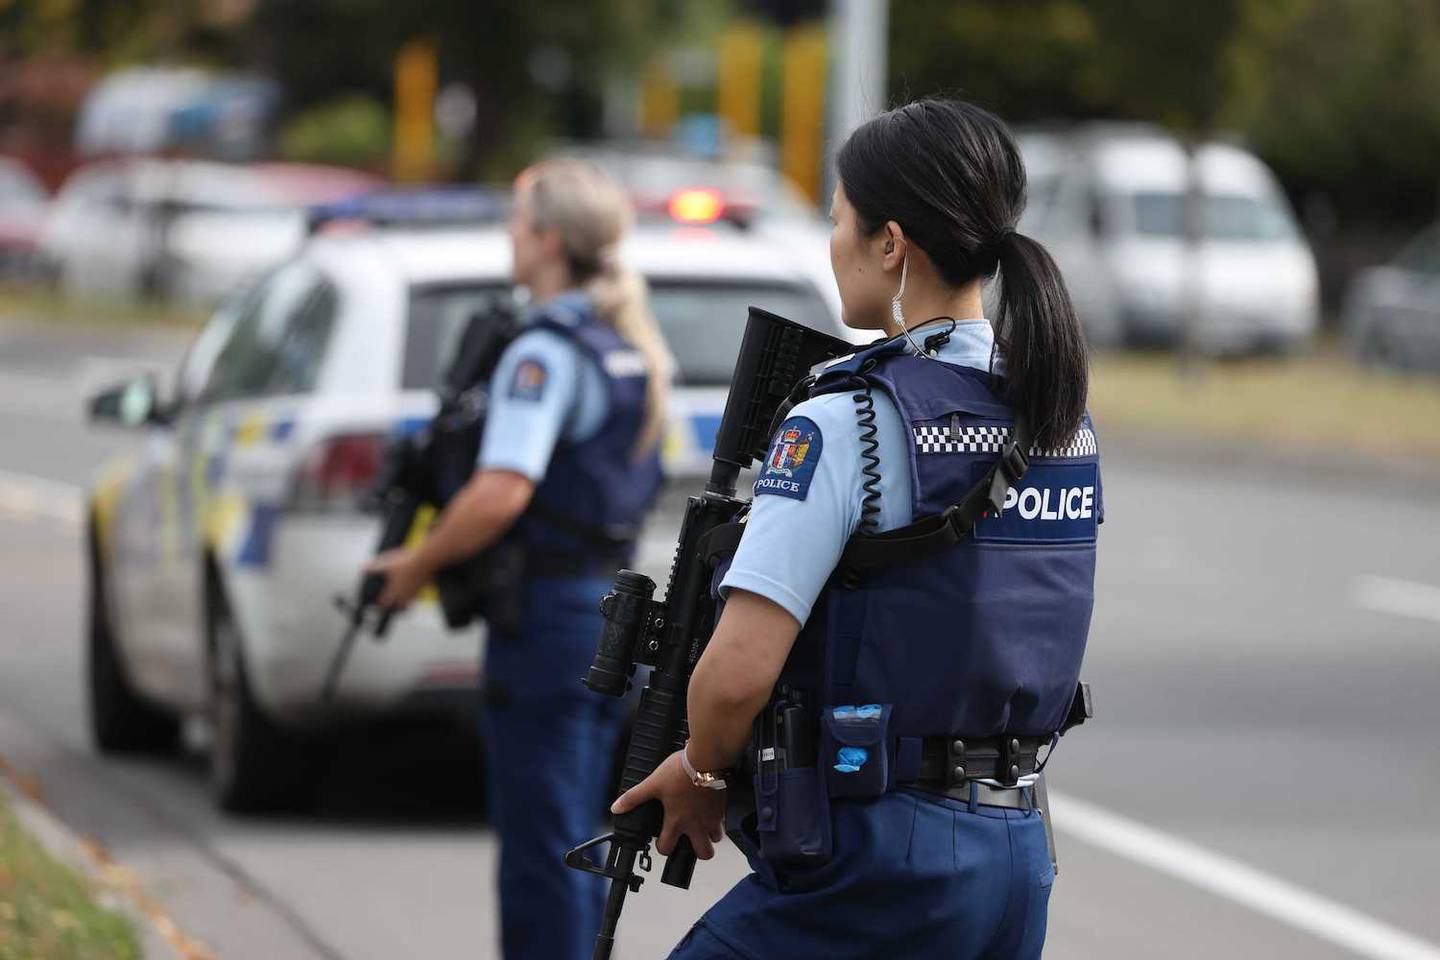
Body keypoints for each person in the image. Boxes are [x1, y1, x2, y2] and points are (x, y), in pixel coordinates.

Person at [612, 99, 1100, 959]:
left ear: (890, 242)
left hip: (884, 865)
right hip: (1017, 855)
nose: (831, 242)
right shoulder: (1057, 411)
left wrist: (698, 772)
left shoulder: (846, 421)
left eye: (838, 218)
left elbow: (736, 674)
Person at [366, 158, 670, 958]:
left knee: (544, 849)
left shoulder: (543, 353)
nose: (507, 233)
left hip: (549, 626)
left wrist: (417, 564)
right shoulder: (619, 343)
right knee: (571, 836)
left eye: (515, 218)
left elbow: (503, 489)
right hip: (606, 617)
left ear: (545, 238)